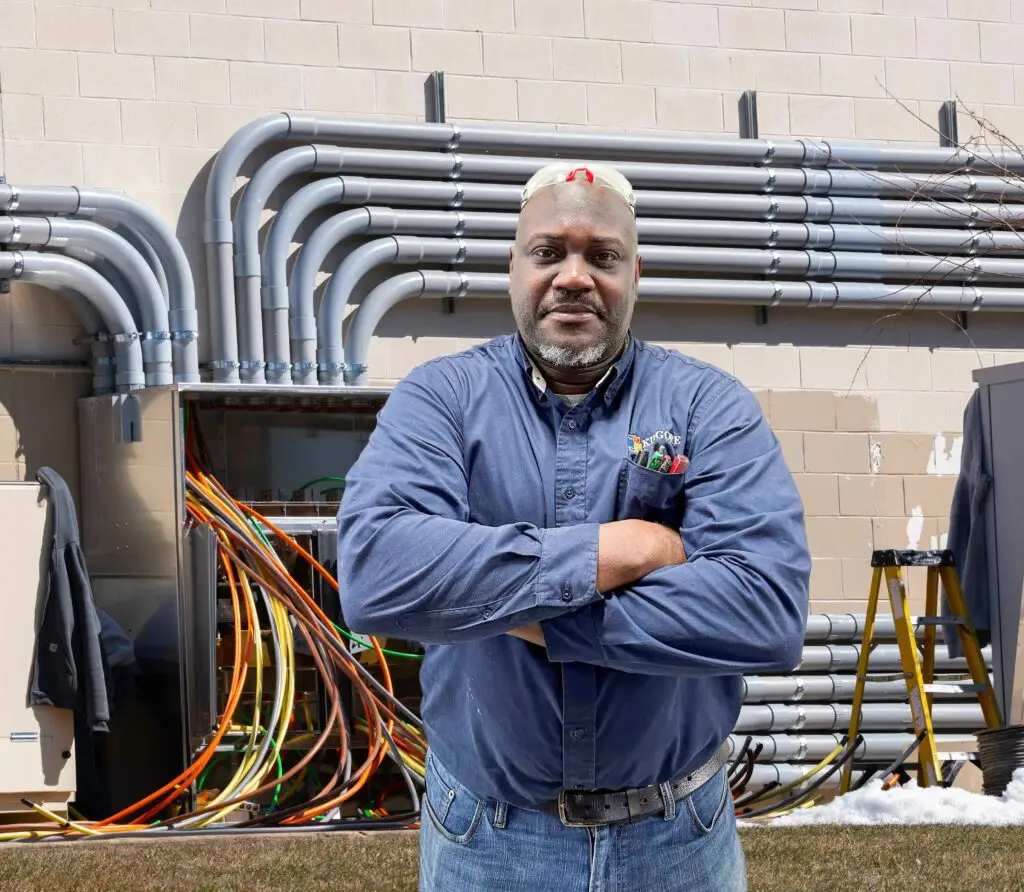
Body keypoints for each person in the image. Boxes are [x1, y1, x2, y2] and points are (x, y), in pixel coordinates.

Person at [337, 161, 811, 892]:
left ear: (636, 272)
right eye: (549, 252)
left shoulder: (708, 407)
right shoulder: (442, 401)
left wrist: (525, 612)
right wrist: (624, 549)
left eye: (602, 256)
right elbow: (378, 573)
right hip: (488, 842)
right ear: (514, 266)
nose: (574, 276)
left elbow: (763, 609)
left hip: (678, 841)